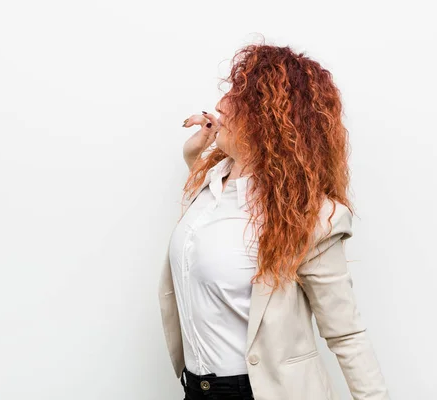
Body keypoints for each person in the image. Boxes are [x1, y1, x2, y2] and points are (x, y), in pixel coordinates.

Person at [158, 42, 390, 400]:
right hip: (198, 389)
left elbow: (346, 334)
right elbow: (212, 246)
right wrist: (193, 161)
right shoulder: (212, 189)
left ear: (266, 120)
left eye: (239, 95)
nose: (221, 104)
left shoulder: (310, 217)